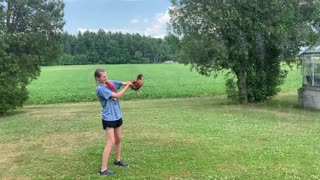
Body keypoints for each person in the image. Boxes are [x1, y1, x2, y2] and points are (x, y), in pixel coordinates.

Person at [94, 68, 133, 175]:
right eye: (103, 77)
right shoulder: (100, 88)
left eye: (106, 76)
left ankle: (117, 160)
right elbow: (117, 95)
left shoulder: (109, 83)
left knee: (119, 139)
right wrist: (128, 87)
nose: (105, 78)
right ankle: (103, 169)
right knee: (111, 141)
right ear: (97, 78)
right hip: (108, 118)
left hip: (117, 115)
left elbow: (122, 83)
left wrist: (132, 82)